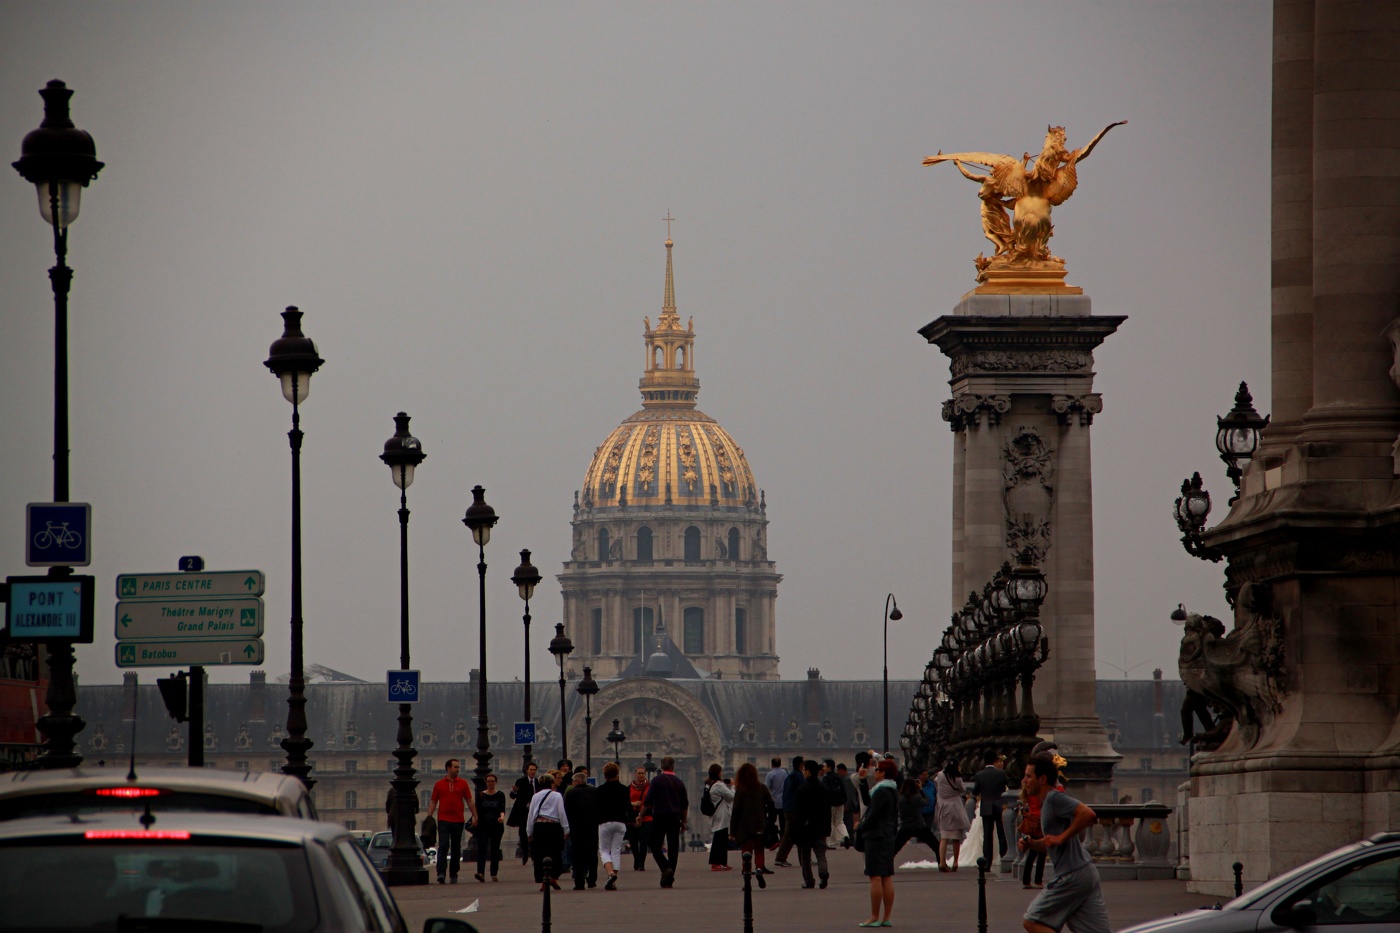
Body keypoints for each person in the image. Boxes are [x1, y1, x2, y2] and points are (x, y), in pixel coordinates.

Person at [1019, 756, 1110, 933]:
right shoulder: (1047, 803)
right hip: (1085, 872)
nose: (1024, 781)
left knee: (1031, 921)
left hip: (1071, 875)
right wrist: (1031, 844)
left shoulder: (1054, 798)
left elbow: (1088, 814)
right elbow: (1051, 844)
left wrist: (1061, 837)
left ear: (1042, 779)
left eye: (1028, 776)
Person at [854, 759, 900, 927]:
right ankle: (886, 916)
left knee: (875, 876)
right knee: (886, 876)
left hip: (876, 837)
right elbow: (867, 801)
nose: (875, 771)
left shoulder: (881, 792)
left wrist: (860, 826)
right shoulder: (891, 789)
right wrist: (863, 780)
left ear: (883, 773)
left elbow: (872, 815)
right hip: (887, 835)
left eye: (878, 770)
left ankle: (874, 916)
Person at [425, 758, 478, 884]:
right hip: (443, 819)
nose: (458, 769)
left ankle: (453, 873)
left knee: (455, 847)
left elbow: (469, 800)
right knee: (443, 846)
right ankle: (441, 873)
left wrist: (475, 815)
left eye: (458, 767)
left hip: (458, 819)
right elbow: (433, 801)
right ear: (448, 768)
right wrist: (429, 816)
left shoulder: (463, 783)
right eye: (455, 767)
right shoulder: (439, 784)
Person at [640, 755, 689, 888]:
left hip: (660, 816)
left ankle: (665, 868)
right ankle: (669, 875)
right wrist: (683, 822)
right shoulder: (679, 782)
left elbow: (648, 801)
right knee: (673, 847)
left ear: (661, 767)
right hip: (674, 818)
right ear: (673, 767)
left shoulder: (656, 781)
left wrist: (641, 815)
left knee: (654, 844)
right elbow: (685, 806)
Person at [729, 762, 773, 887]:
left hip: (744, 826)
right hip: (759, 824)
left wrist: (732, 831)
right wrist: (766, 817)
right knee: (759, 850)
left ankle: (747, 879)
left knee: (746, 852)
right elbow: (771, 804)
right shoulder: (762, 788)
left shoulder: (740, 790)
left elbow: (736, 811)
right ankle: (759, 869)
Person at [792, 759, 831, 889]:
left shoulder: (801, 789)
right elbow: (827, 810)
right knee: (820, 853)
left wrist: (797, 828)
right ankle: (823, 872)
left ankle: (809, 880)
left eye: (804, 770)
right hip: (821, 826)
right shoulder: (824, 789)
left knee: (805, 856)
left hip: (806, 827)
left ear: (808, 772)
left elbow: (798, 812)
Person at [526, 774, 569, 891]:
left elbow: (531, 815)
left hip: (539, 826)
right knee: (555, 853)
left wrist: (529, 832)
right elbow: (561, 813)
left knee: (540, 854)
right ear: (552, 783)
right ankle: (553, 877)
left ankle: (544, 880)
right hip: (554, 827)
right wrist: (566, 829)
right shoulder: (557, 795)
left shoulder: (535, 796)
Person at [595, 762, 633, 890]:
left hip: (605, 822)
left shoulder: (600, 790)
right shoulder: (623, 789)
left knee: (604, 850)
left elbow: (596, 809)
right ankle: (613, 881)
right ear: (617, 774)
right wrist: (634, 819)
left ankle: (610, 873)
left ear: (605, 775)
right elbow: (628, 807)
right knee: (616, 851)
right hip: (620, 822)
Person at [971, 751, 1010, 863]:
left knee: (987, 835)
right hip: (999, 805)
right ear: (994, 761)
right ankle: (1003, 857)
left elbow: (975, 791)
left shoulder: (979, 775)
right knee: (1001, 833)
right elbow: (1008, 784)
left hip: (986, 806)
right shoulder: (1002, 773)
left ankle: (987, 862)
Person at [563, 768, 599, 890]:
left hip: (576, 829)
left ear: (577, 782)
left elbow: (566, 812)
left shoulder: (571, 793)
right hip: (592, 828)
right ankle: (592, 879)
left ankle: (579, 882)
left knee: (577, 855)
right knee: (592, 854)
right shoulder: (594, 791)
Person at [934, 759, 971, 871]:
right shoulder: (958, 779)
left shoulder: (940, 775)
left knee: (944, 837)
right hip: (955, 807)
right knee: (956, 838)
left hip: (943, 807)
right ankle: (955, 862)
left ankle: (942, 862)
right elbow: (963, 790)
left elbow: (936, 782)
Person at [472, 772, 507, 882]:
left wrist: (502, 817)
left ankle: (493, 873)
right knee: (482, 849)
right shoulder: (481, 795)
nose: (490, 783)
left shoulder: (500, 795)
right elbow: (476, 809)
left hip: (496, 825)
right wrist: (474, 818)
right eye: (489, 781)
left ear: (495, 782)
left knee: (495, 849)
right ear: (486, 782)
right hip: (483, 825)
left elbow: (502, 808)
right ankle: (480, 872)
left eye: (492, 781)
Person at [892, 778, 939, 858]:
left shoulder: (900, 799)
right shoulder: (917, 797)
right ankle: (941, 862)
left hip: (905, 826)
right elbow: (927, 802)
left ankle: (887, 866)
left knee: (894, 849)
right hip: (919, 825)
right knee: (936, 845)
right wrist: (921, 790)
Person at [508, 761, 541, 865]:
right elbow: (512, 796)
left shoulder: (538, 782)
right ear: (527, 771)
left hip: (535, 811)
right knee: (523, 832)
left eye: (534, 770)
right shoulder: (521, 781)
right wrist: (514, 791)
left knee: (535, 832)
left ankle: (534, 853)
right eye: (531, 770)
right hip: (523, 811)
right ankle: (525, 853)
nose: (532, 772)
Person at [774, 755, 804, 866]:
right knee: (791, 834)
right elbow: (802, 791)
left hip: (787, 807)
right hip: (794, 808)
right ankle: (781, 858)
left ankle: (783, 858)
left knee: (791, 834)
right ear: (801, 764)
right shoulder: (799, 776)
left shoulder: (790, 776)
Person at [1018, 775, 1047, 889]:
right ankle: (1038, 880)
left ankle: (1026, 880)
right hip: (1039, 822)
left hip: (1031, 822)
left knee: (1031, 853)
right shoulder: (1037, 793)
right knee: (1041, 853)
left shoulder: (1027, 793)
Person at [705, 763, 735, 871]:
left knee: (722, 839)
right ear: (718, 773)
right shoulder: (719, 785)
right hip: (721, 815)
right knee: (719, 840)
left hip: (717, 814)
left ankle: (722, 862)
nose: (722, 773)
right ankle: (715, 862)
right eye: (721, 771)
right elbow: (732, 796)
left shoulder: (710, 783)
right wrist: (732, 786)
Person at [820, 758, 849, 848]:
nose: (823, 768)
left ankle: (831, 843)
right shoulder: (838, 777)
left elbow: (825, 791)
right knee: (840, 822)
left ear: (829, 767)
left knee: (830, 822)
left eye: (824, 766)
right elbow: (844, 790)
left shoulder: (826, 778)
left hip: (831, 803)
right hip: (840, 802)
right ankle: (845, 836)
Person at [628, 765, 653, 871]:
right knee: (633, 841)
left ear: (645, 774)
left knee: (643, 841)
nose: (641, 775)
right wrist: (633, 803)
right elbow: (626, 803)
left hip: (646, 816)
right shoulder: (629, 787)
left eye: (642, 773)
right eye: (639, 773)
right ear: (635, 774)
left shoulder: (650, 787)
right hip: (633, 816)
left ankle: (641, 863)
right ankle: (636, 858)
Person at [764, 756, 788, 833]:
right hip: (783, 801)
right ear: (780, 764)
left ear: (772, 765)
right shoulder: (785, 773)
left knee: (771, 822)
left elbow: (767, 787)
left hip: (773, 801)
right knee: (783, 823)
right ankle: (782, 839)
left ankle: (772, 838)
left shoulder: (770, 774)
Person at [837, 763, 861, 839]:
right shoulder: (849, 778)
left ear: (841, 770)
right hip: (851, 804)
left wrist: (846, 804)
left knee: (848, 822)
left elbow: (849, 793)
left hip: (848, 805)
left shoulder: (847, 779)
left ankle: (849, 838)